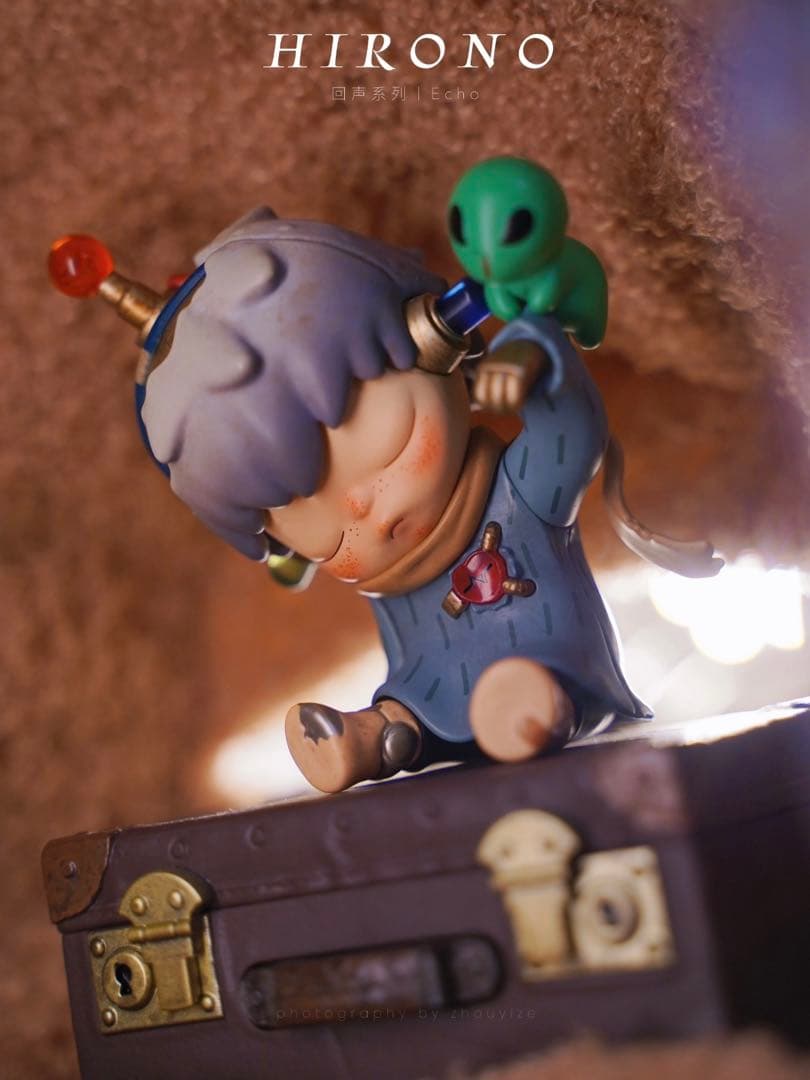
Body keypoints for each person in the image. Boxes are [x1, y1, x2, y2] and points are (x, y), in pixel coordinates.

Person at [142, 207, 649, 793]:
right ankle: (376, 736)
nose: (358, 508)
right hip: (431, 692)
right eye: (320, 527)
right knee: (410, 707)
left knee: (535, 690)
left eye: (391, 443)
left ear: (435, 345)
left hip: (555, 672)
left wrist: (535, 357)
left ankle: (532, 708)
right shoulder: (386, 580)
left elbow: (573, 436)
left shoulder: (517, 494)